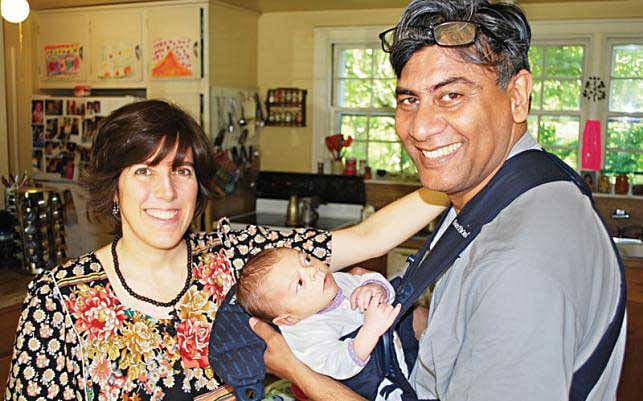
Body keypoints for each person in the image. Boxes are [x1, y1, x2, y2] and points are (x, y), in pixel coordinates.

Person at [250, 1, 625, 401]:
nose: (421, 128)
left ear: (518, 96)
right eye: (409, 100)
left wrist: (297, 370)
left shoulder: (519, 264)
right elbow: (463, 331)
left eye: (451, 95)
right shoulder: (506, 189)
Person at [3, 99, 446, 401]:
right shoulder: (57, 299)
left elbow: (367, 239)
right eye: (143, 171)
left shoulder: (235, 255)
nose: (167, 191)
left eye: (182, 170)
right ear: (113, 190)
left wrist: (461, 179)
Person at [237, 247, 426, 401]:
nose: (313, 271)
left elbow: (367, 279)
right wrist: (370, 330)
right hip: (374, 381)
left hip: (398, 349)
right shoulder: (304, 335)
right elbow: (341, 363)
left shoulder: (333, 283)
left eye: (306, 260)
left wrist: (375, 288)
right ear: (288, 319)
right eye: (300, 283)